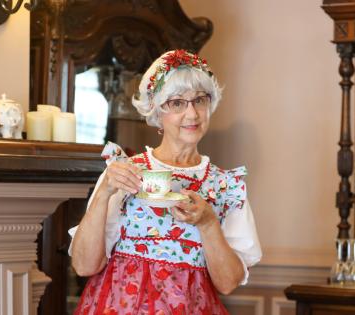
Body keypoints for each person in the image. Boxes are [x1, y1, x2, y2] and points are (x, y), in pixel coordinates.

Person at [69, 49, 261, 314]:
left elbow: (228, 283)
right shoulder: (124, 172)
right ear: (157, 112)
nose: (192, 114)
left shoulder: (226, 186)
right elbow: (84, 266)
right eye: (177, 103)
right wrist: (103, 193)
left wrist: (207, 223)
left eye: (200, 100)